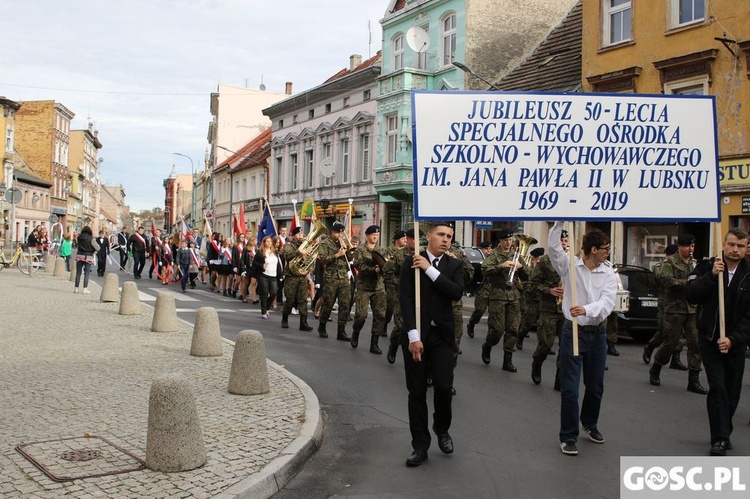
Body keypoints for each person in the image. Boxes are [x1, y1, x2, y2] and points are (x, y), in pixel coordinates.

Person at [399, 221, 465, 467]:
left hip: (442, 338)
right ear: (428, 236)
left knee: (444, 387)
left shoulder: (453, 265)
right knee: (416, 392)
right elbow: (405, 299)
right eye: (441, 234)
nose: (446, 239)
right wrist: (413, 337)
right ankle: (420, 445)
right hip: (418, 335)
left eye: (449, 235)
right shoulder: (411, 263)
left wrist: (429, 269)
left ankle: (442, 428)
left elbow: (456, 292)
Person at [548, 221, 617, 456]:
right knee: (569, 388)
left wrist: (586, 309)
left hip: (597, 333)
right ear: (594, 249)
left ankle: (590, 422)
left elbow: (608, 302)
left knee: (595, 385)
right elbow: (553, 248)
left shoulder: (608, 272)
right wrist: (560, 222)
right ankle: (568, 435)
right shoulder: (570, 266)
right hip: (573, 331)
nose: (609, 251)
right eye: (606, 248)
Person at [684, 228, 750, 456]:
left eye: (740, 246)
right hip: (710, 339)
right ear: (724, 243)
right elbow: (691, 294)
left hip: (735, 343)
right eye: (731, 244)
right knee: (718, 388)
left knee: (732, 391)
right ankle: (719, 438)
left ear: (746, 248)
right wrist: (711, 276)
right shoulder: (706, 267)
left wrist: (733, 340)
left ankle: (725, 428)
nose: (735, 249)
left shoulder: (748, 274)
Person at [649, 234, 707, 394]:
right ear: (680, 246)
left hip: (692, 308)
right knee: (671, 342)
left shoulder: (695, 263)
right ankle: (656, 367)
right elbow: (666, 280)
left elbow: (701, 279)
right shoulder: (670, 262)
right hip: (675, 308)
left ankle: (693, 380)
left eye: (693, 246)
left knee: (695, 343)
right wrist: (689, 283)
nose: (691, 249)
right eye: (688, 246)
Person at [480, 228, 527, 372]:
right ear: (500, 241)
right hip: (497, 295)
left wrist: (521, 267)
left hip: (514, 295)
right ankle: (487, 345)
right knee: (497, 329)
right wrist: (501, 266)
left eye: (510, 240)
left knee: (513, 329)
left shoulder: (516, 255)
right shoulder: (494, 254)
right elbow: (484, 269)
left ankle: (507, 361)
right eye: (505, 240)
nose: (508, 243)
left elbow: (527, 276)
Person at [530, 233, 567, 386]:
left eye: (566, 241)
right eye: (561, 241)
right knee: (546, 344)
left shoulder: (571, 260)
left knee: (566, 347)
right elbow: (533, 284)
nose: (564, 244)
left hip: (566, 309)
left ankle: (560, 377)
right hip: (548, 308)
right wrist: (549, 290)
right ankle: (537, 363)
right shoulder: (545, 261)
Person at [643, 244, 687, 368]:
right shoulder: (661, 266)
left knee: (679, 333)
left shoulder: (685, 265)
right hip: (665, 303)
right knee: (664, 331)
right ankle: (650, 347)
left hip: (679, 303)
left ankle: (675, 359)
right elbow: (664, 281)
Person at [351, 225, 388, 354]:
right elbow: (359, 265)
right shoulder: (360, 249)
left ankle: (374, 343)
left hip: (378, 287)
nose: (375, 237)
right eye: (373, 235)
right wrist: (374, 269)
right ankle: (356, 332)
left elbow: (386, 264)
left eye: (377, 235)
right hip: (364, 287)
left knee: (380, 315)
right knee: (361, 315)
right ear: (367, 235)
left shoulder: (382, 250)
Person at [384, 229, 418, 363]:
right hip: (402, 295)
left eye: (417, 239)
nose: (415, 242)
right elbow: (387, 272)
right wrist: (401, 284)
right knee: (400, 326)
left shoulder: (422, 255)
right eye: (412, 238)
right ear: (408, 239)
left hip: (419, 295)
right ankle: (393, 346)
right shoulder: (398, 255)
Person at [317, 221, 352, 341]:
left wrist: (349, 249)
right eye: (337, 233)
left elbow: (351, 259)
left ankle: (341, 331)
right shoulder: (325, 243)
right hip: (331, 277)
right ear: (332, 232)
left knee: (345, 304)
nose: (339, 235)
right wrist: (337, 254)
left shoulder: (343, 243)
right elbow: (322, 260)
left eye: (341, 233)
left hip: (343, 278)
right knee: (328, 304)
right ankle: (322, 326)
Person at [281, 227, 314, 331]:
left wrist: (308, 269)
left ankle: (303, 323)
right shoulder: (289, 245)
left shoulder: (305, 246)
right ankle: (285, 318)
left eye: (302, 233)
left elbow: (310, 260)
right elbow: (287, 256)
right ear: (294, 235)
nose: (301, 235)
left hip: (302, 276)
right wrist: (298, 252)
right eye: (299, 234)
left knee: (303, 299)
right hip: (291, 276)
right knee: (290, 299)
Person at [517, 247, 544, 350]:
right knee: (529, 322)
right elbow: (526, 282)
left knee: (543, 324)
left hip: (542, 298)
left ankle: (544, 345)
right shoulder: (529, 268)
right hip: (531, 298)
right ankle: (520, 337)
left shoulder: (543, 268)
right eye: (538, 258)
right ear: (535, 258)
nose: (540, 260)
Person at [466, 241, 493, 338]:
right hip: (482, 287)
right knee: (480, 310)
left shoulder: (493, 258)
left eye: (489, 248)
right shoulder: (477, 259)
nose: (488, 251)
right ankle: (471, 324)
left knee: (494, 312)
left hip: (494, 288)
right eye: (486, 249)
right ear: (480, 249)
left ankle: (491, 332)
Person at [254, 236, 280, 319]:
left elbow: (278, 264)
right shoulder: (260, 252)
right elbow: (254, 263)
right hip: (264, 275)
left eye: (270, 241)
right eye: (267, 241)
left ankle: (267, 307)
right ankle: (264, 311)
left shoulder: (275, 252)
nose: (269, 243)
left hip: (273, 276)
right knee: (264, 293)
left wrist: (281, 274)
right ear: (264, 243)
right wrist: (262, 266)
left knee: (274, 293)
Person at [74, 226, 97, 294]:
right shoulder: (91, 239)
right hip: (88, 256)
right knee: (87, 273)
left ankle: (76, 288)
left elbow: (77, 245)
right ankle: (85, 289)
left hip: (79, 255)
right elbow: (97, 248)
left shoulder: (79, 237)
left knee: (78, 272)